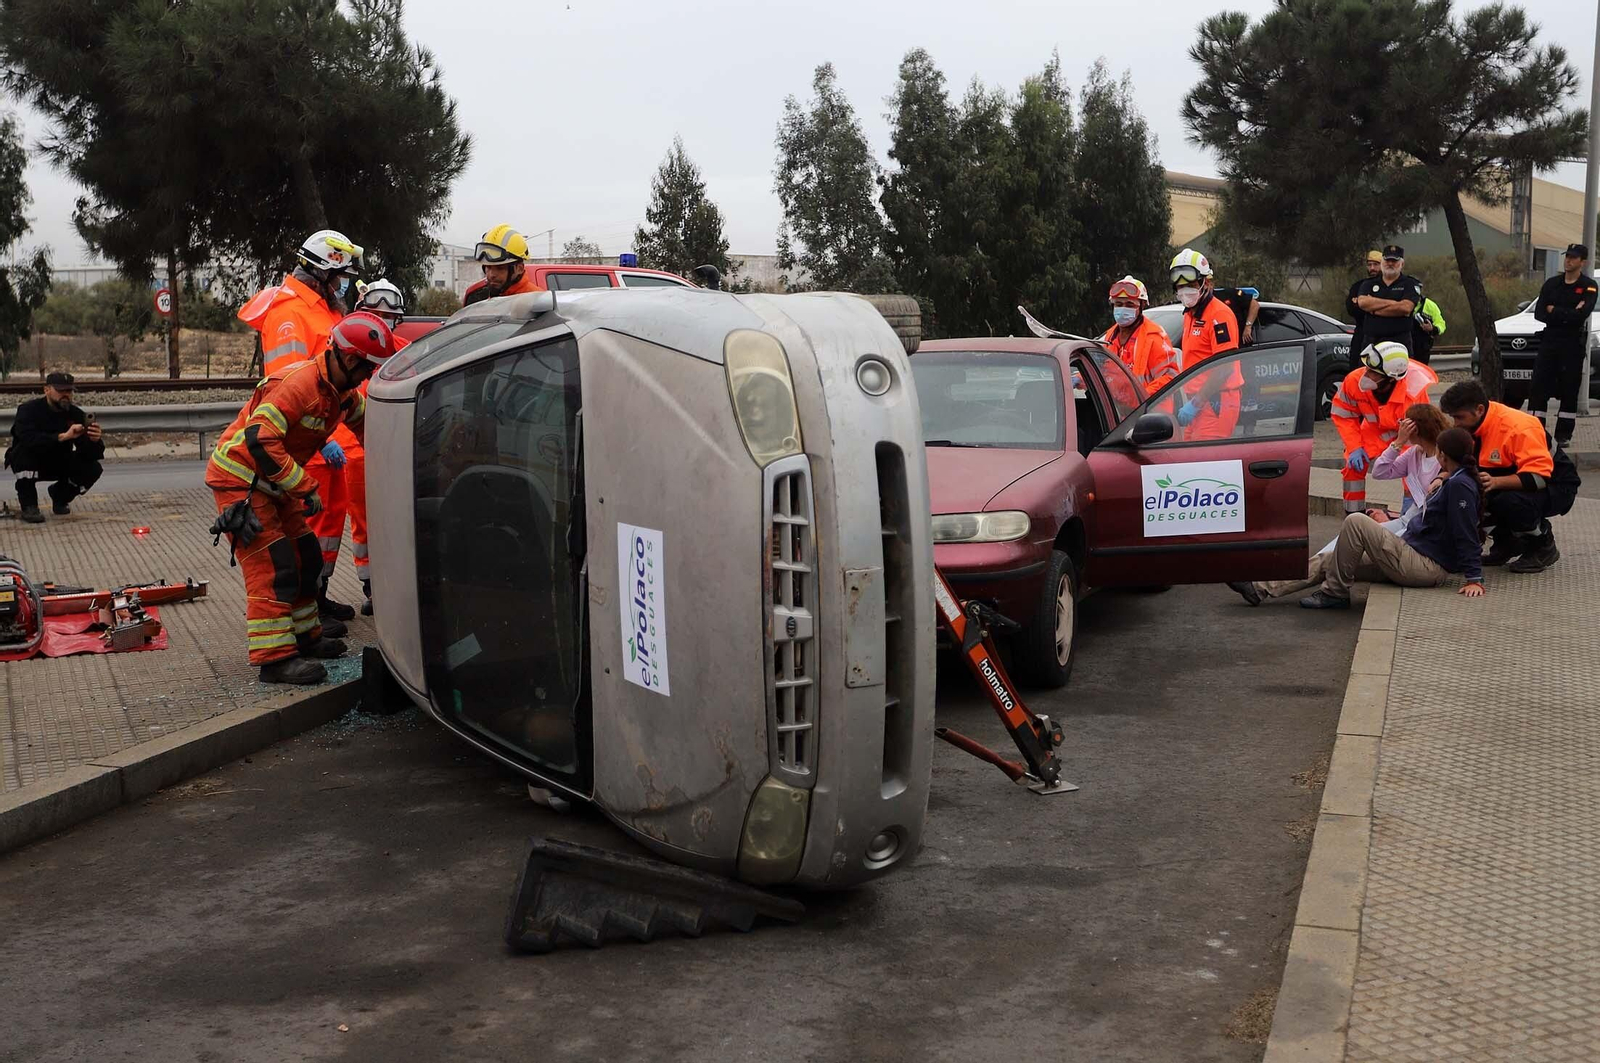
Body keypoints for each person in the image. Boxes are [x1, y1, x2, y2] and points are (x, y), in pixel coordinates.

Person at [204, 312, 396, 685]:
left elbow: (370, 426)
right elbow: (259, 438)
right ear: (351, 360)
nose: (367, 378)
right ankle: (274, 660)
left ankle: (306, 637)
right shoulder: (301, 385)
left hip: (271, 483)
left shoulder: (341, 395)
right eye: (367, 370)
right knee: (274, 567)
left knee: (306, 556)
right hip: (240, 481)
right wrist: (304, 485)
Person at [1228, 426, 1486, 608]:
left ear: (1442, 456)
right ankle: (1260, 588)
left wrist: (1474, 579)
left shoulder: (1459, 485)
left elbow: (1466, 532)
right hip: (1411, 554)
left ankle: (1335, 593)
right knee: (1333, 557)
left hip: (1425, 566)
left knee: (1357, 521)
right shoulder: (1453, 478)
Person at [316, 279, 410, 617]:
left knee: (388, 521)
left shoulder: (404, 351)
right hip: (351, 451)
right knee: (356, 523)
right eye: (376, 315)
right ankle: (363, 587)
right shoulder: (348, 348)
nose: (382, 323)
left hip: (387, 448)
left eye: (388, 316)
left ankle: (380, 588)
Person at [1440, 379, 1579, 574]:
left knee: (1508, 502)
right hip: (1515, 481)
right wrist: (1442, 477)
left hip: (1556, 486)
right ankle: (1506, 545)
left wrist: (1495, 482)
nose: (1456, 424)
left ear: (1479, 409)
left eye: (1459, 417)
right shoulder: (1473, 427)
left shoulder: (1518, 427)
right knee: (1469, 496)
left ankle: (1542, 544)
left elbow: (1538, 478)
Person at [1329, 340, 1438, 512]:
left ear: (1391, 378)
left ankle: (1411, 514)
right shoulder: (1353, 381)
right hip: (1374, 431)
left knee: (1413, 471)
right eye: (1367, 368)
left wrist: (1398, 445)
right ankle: (1353, 514)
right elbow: (1343, 414)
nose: (1366, 375)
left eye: (1373, 372)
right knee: (1352, 466)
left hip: (1409, 434)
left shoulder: (1413, 394)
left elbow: (1420, 432)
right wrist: (1354, 446)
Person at [239, 229, 365, 376]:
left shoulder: (325, 309)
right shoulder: (289, 315)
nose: (344, 283)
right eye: (341, 276)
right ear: (318, 277)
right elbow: (287, 386)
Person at [3, 371, 104, 523]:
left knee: (93, 468)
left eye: (69, 391)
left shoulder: (75, 414)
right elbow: (28, 439)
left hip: (59, 460)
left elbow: (90, 454)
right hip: (33, 460)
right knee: (21, 454)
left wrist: (94, 440)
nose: (65, 395)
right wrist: (63, 437)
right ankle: (29, 505)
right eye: (60, 390)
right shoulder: (28, 410)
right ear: (47, 390)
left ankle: (60, 496)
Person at [1169, 248, 1244, 441]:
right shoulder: (1191, 315)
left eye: (1191, 284)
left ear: (1206, 282)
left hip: (1215, 400)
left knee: (1205, 464)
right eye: (1180, 286)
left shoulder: (1219, 315)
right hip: (1199, 403)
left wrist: (1197, 402)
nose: (1185, 290)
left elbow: (1225, 367)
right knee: (1190, 460)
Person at [1528, 242, 1597, 446]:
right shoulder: (1551, 284)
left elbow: (1580, 316)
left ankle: (1563, 435)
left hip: (1572, 344)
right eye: (1567, 256)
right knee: (1538, 388)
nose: (1568, 260)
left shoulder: (1588, 286)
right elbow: (1540, 313)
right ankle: (1535, 431)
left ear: (1582, 262)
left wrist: (1555, 311)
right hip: (1549, 342)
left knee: (1569, 389)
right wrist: (1565, 313)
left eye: (1574, 257)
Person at [1099, 276, 1179, 396]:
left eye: (1130, 305)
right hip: (1121, 411)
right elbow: (1102, 369)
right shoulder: (1111, 336)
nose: (1123, 308)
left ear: (1141, 306)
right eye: (1119, 304)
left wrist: (1142, 398)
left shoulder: (1153, 337)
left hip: (1151, 409)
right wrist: (1081, 378)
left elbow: (1169, 377)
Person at [1371, 403, 1452, 516]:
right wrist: (1398, 443)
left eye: (1404, 423)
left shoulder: (1445, 457)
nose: (1400, 427)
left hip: (1426, 523)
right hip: (1412, 516)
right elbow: (1379, 472)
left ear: (1414, 429)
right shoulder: (1414, 453)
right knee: (1357, 523)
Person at [1353, 245, 1422, 358]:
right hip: (1372, 343)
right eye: (1387, 260)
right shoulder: (1368, 284)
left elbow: (1405, 308)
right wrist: (1394, 303)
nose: (1390, 264)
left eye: (1394, 261)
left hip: (1399, 342)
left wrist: (1374, 309)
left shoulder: (1409, 283)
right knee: (1368, 375)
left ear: (1402, 264)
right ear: (1382, 262)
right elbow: (1363, 303)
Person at [462, 224, 543, 306]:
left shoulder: (538, 302)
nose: (491, 275)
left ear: (519, 268)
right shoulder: (488, 302)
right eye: (488, 267)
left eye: (500, 268)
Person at [1345, 250, 1384, 371]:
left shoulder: (1388, 286)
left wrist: (1365, 304)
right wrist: (1376, 305)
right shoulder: (1359, 286)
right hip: (1361, 334)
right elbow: (1351, 309)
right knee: (1357, 371)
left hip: (1382, 336)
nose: (1372, 268)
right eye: (1370, 264)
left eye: (1376, 264)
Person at [1410, 295, 1446, 366]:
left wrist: (1432, 328)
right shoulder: (1401, 302)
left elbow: (1441, 324)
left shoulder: (1430, 305)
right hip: (1404, 347)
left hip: (1422, 349)